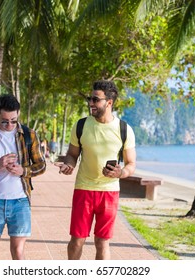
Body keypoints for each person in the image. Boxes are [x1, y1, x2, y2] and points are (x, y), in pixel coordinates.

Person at [57, 80, 136, 260]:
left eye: (95, 99)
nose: (90, 103)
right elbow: (72, 154)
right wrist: (69, 164)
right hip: (83, 189)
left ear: (109, 102)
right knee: (77, 239)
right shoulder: (81, 125)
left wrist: (120, 173)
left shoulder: (124, 129)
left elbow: (131, 164)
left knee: (102, 241)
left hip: (109, 192)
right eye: (89, 98)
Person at [0, 94, 46, 260]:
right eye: (5, 121)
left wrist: (23, 171)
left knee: (18, 252)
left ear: (18, 113)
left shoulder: (29, 135)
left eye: (14, 120)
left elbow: (41, 165)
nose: (10, 125)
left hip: (20, 201)